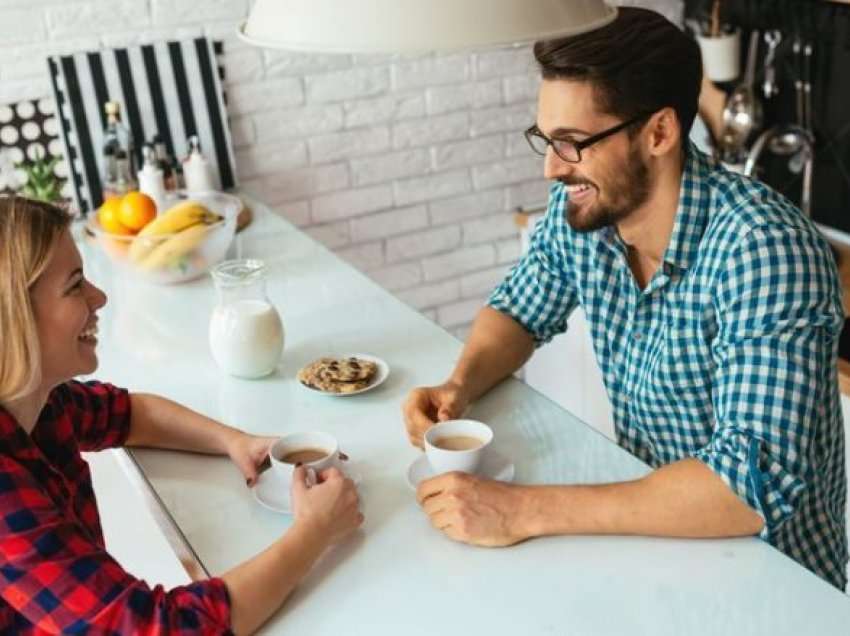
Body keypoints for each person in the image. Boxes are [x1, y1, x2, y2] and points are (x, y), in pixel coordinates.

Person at [403, 7, 847, 591]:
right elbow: (518, 307)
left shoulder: (763, 251)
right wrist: (460, 385)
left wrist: (522, 511)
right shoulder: (587, 214)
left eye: (572, 143)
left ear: (659, 133)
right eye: (546, 139)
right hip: (652, 544)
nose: (550, 168)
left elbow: (747, 490)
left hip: (772, 585)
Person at [0, 195, 364, 634]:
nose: (99, 296)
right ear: (14, 318)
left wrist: (236, 441)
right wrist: (314, 533)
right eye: (75, 284)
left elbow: (130, 414)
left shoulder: (37, 401)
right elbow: (162, 627)